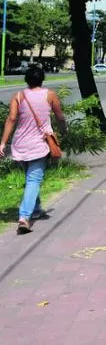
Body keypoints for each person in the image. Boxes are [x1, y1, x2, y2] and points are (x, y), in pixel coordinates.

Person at [0, 65, 67, 234]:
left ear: (26, 80)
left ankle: (35, 209)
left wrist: (2, 143)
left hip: (20, 144)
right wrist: (64, 131)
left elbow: (11, 119)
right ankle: (24, 218)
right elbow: (59, 116)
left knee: (31, 178)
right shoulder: (49, 94)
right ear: (42, 79)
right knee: (34, 180)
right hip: (39, 144)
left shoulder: (19, 96)